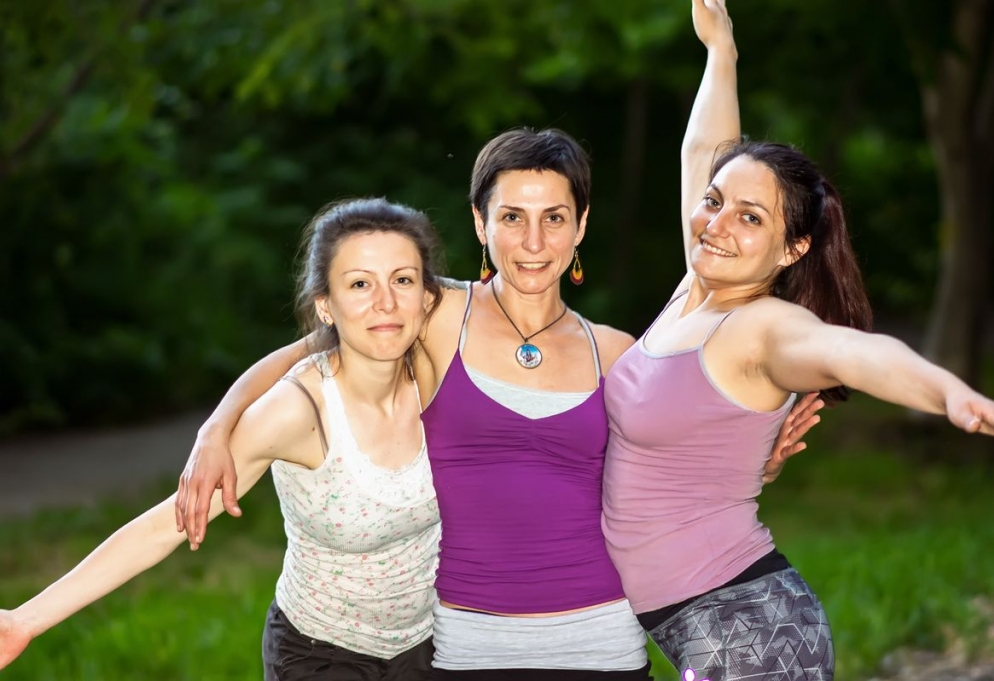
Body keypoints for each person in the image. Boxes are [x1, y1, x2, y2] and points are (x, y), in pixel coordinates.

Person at [170, 124, 821, 677]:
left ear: (581, 226)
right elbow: (311, 352)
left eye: (554, 218)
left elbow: (667, 463)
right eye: (512, 218)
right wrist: (216, 429)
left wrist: (754, 461)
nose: (534, 243)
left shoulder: (617, 352)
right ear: (481, 223)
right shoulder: (434, 314)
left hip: (603, 645)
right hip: (468, 649)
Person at [600, 2, 994, 680]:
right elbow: (702, 151)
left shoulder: (762, 327)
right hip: (702, 622)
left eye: (751, 217)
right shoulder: (694, 286)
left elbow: (853, 352)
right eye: (714, 202)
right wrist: (721, 52)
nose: (717, 223)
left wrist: (947, 391)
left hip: (749, 630)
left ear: (792, 248)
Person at [0, 198, 448, 681]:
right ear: (326, 306)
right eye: (360, 283)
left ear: (428, 296)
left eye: (403, 280)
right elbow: (163, 526)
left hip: (432, 645)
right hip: (322, 654)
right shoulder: (297, 411)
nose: (385, 302)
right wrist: (24, 621)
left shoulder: (448, 372)